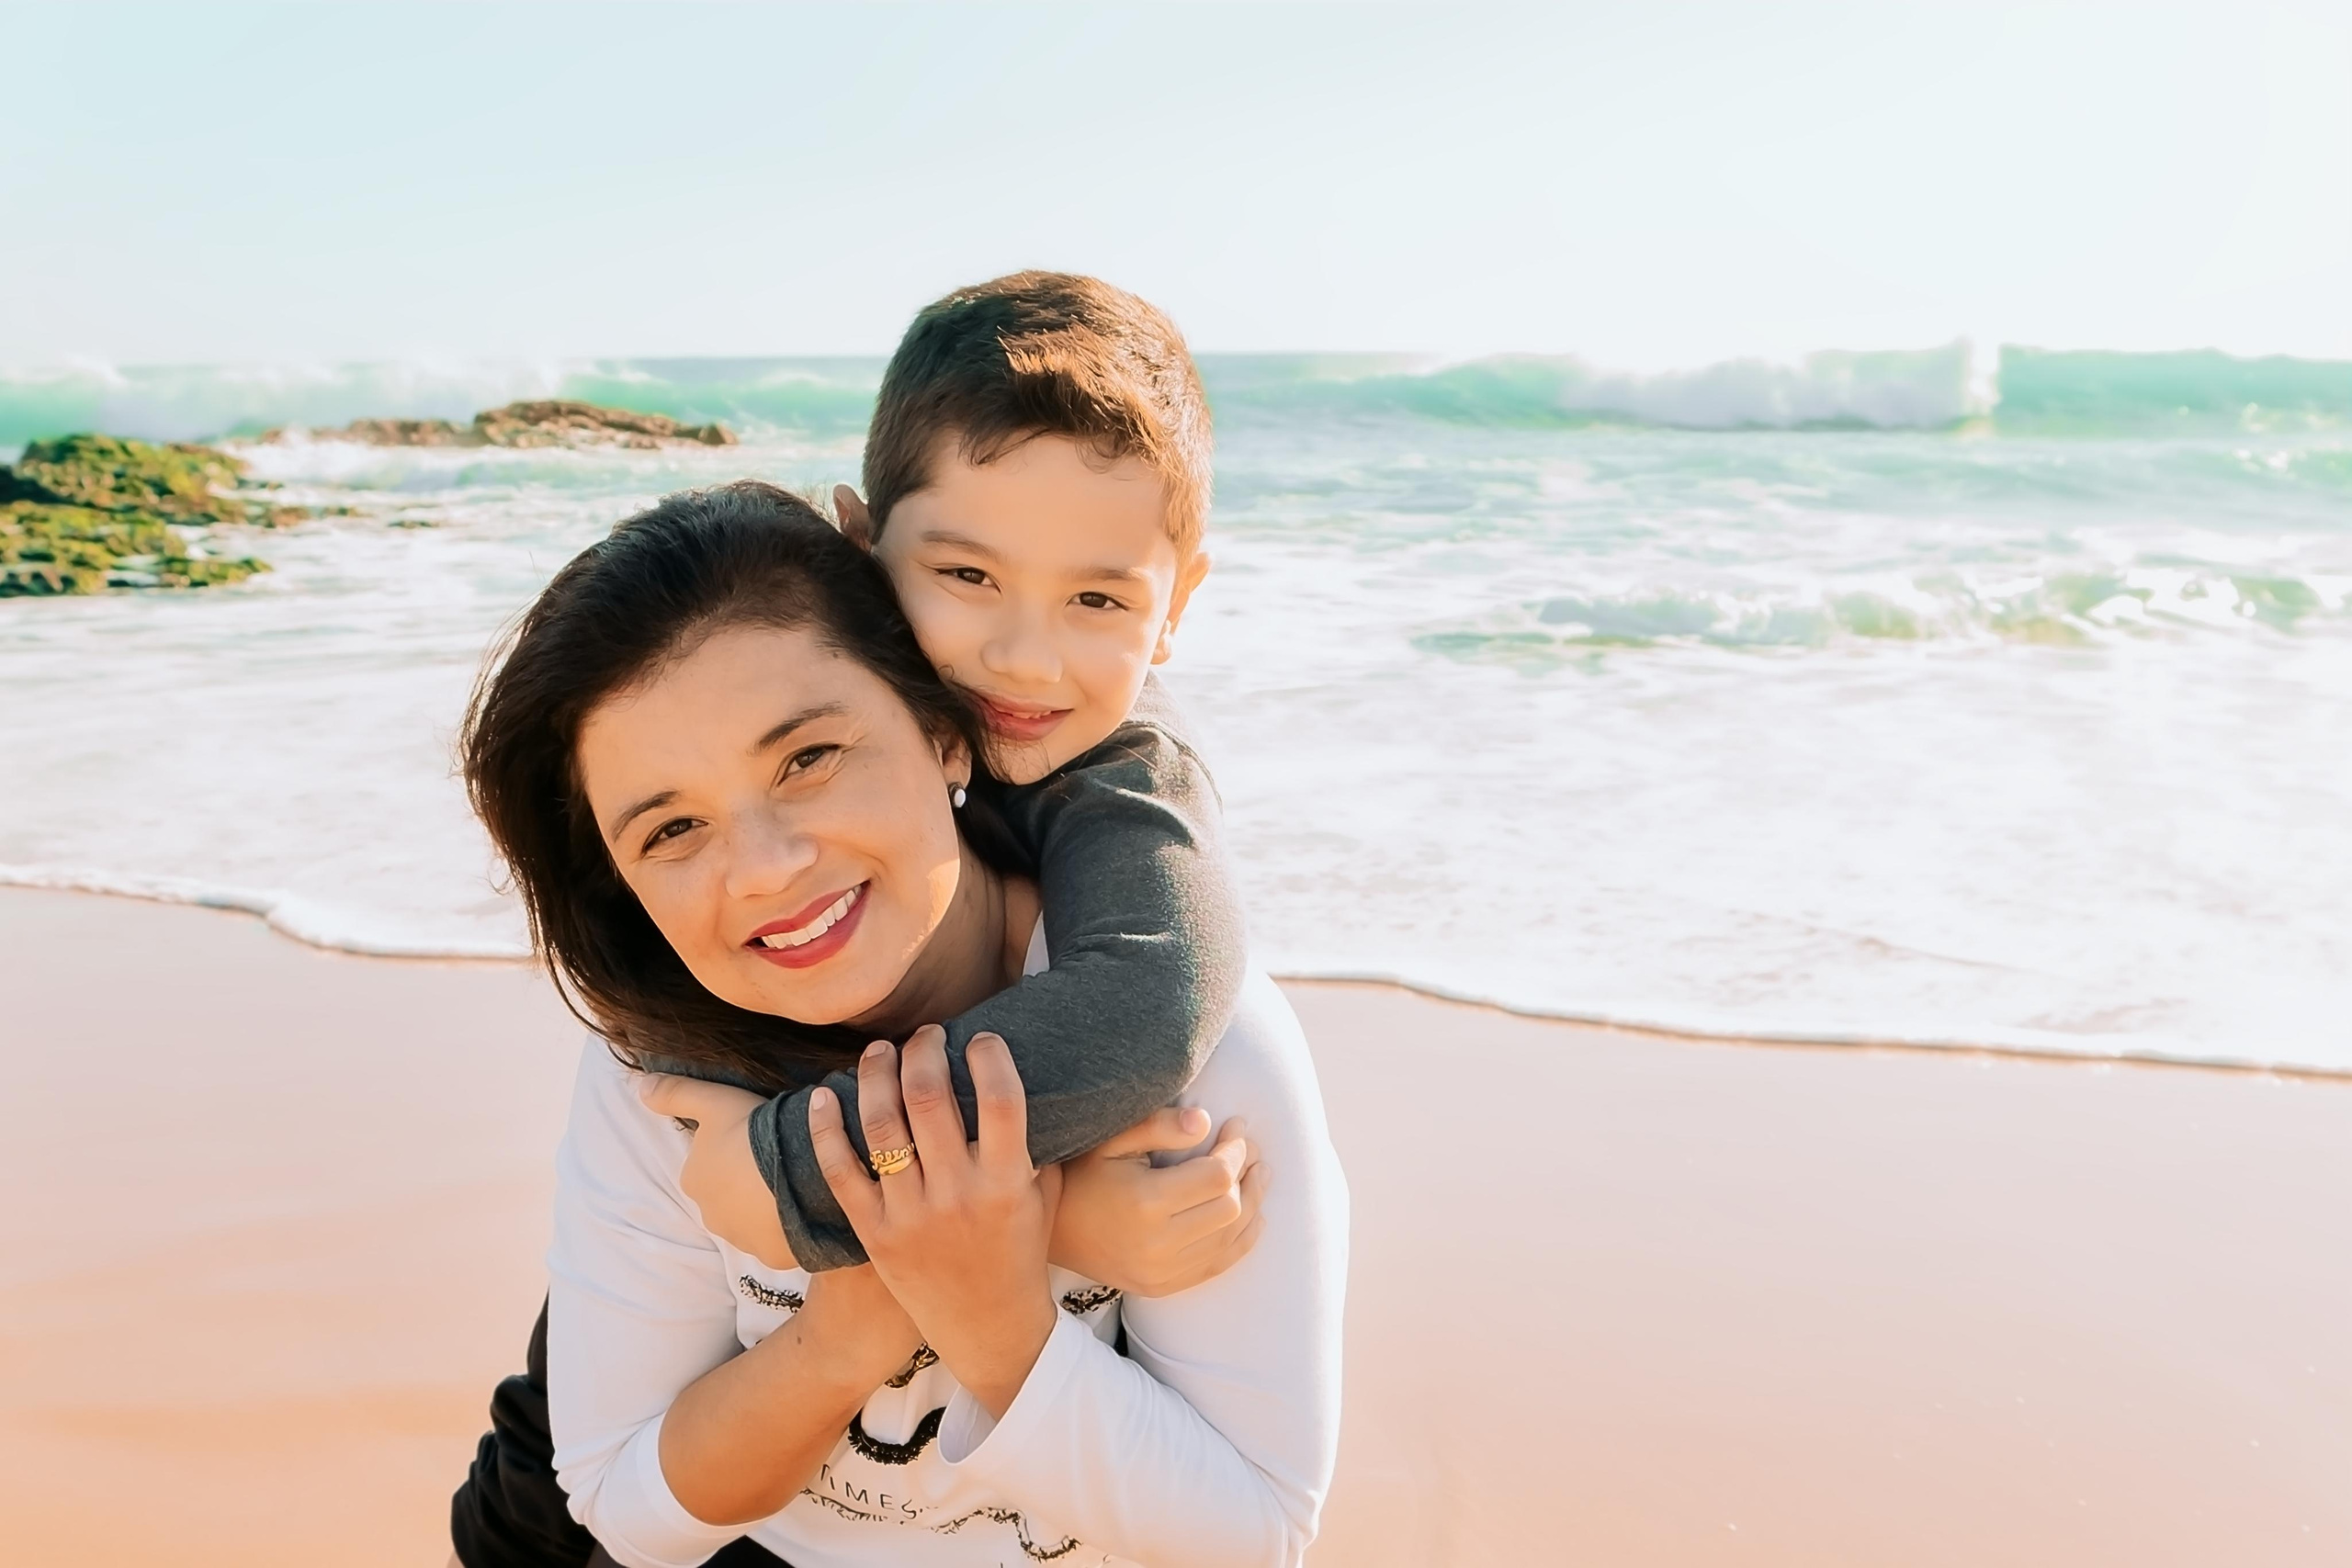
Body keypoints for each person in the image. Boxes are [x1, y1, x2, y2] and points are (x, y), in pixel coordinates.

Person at [451, 271, 1294, 1564]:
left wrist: (866, 1228)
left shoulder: (1156, 913)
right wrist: (965, 1257)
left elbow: (1255, 1540)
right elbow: (619, 1507)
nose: (1022, 659)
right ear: (869, 553)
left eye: (809, 759)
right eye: (669, 828)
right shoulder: (656, 1047)